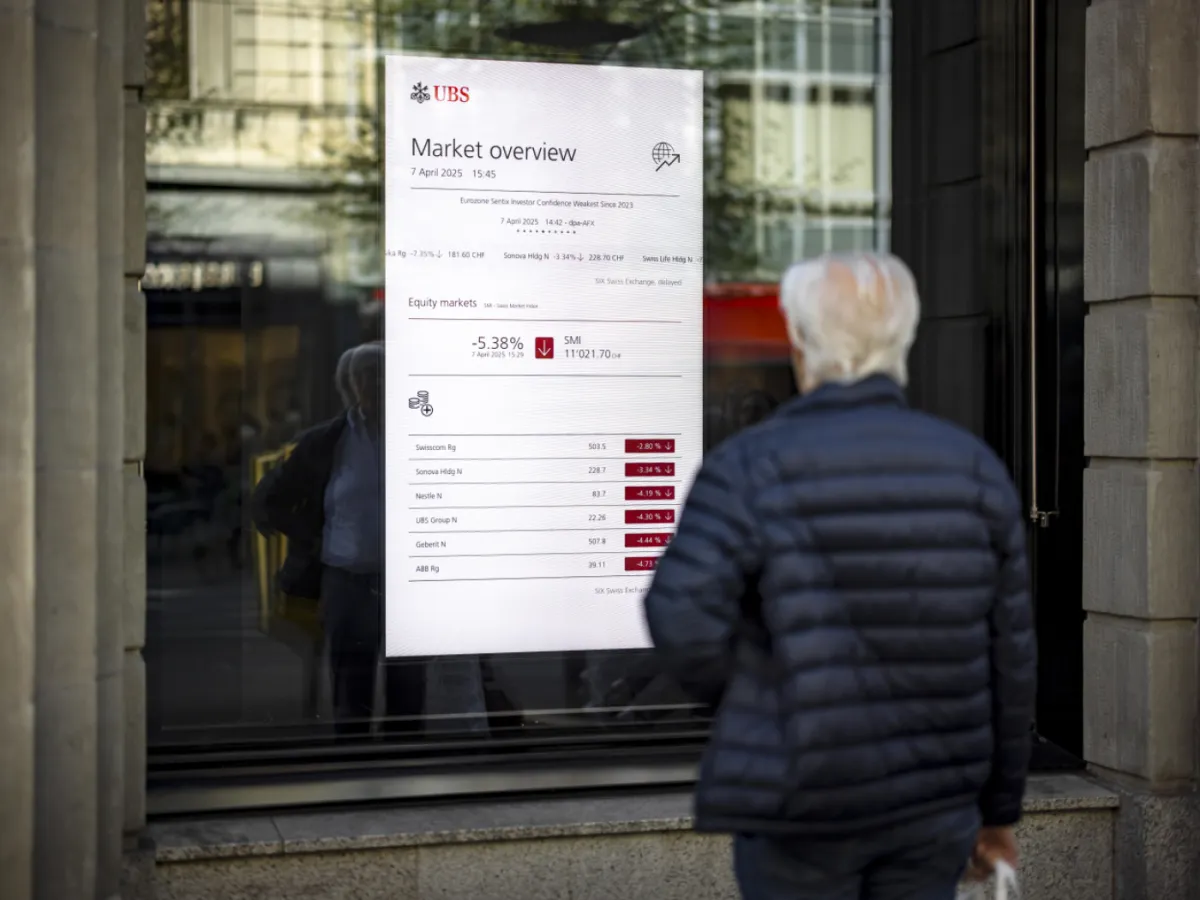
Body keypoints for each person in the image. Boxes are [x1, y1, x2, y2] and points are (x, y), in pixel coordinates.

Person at [643, 252, 1036, 900]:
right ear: (903, 341)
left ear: (799, 343)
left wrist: (764, 704)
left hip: (800, 799)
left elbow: (679, 615)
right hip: (933, 801)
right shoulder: (974, 469)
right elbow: (1011, 660)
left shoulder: (748, 465)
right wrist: (998, 811)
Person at [251, 343, 424, 736]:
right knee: (351, 686)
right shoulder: (326, 441)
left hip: (409, 582)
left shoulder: (419, 433)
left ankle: (408, 757)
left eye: (381, 373)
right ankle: (354, 758)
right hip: (348, 580)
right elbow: (269, 499)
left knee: (409, 684)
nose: (374, 382)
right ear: (349, 385)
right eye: (365, 375)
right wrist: (311, 539)